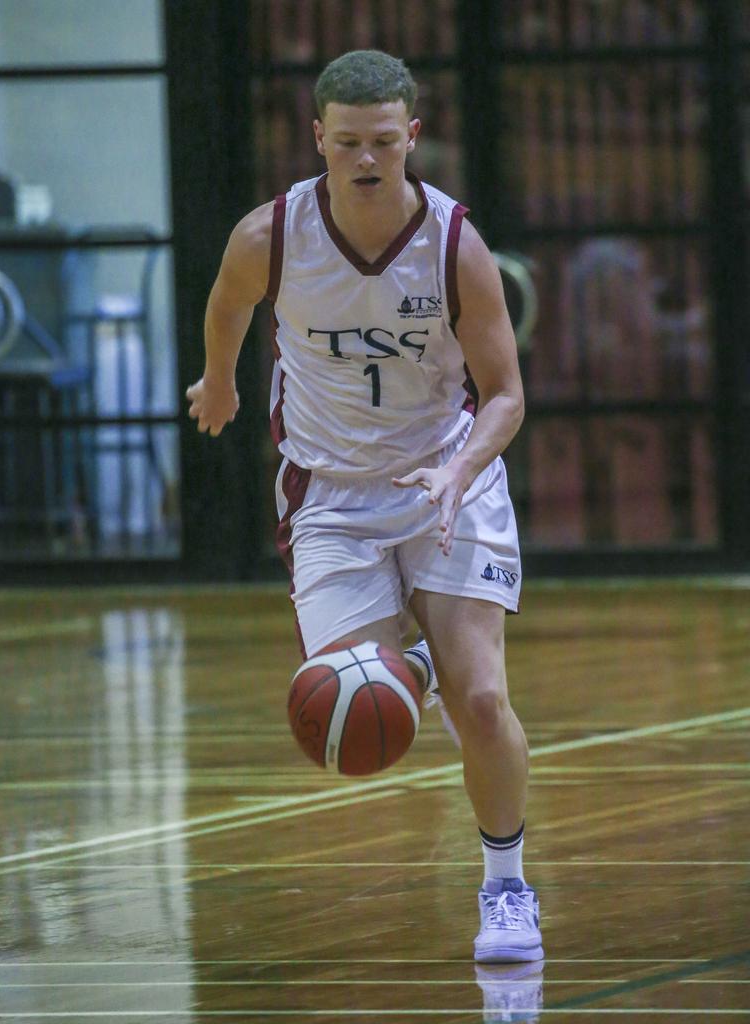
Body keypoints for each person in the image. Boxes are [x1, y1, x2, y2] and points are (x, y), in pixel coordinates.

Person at [185, 49, 543, 964]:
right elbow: (228, 306)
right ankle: (415, 660)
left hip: (443, 476)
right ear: (319, 139)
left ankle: (506, 889)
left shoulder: (454, 243)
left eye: (385, 140)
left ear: (412, 136)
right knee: (350, 707)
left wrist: (462, 470)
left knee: (484, 694)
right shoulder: (270, 235)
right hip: (330, 493)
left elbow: (505, 394)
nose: (368, 159)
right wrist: (219, 381)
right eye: (347, 143)